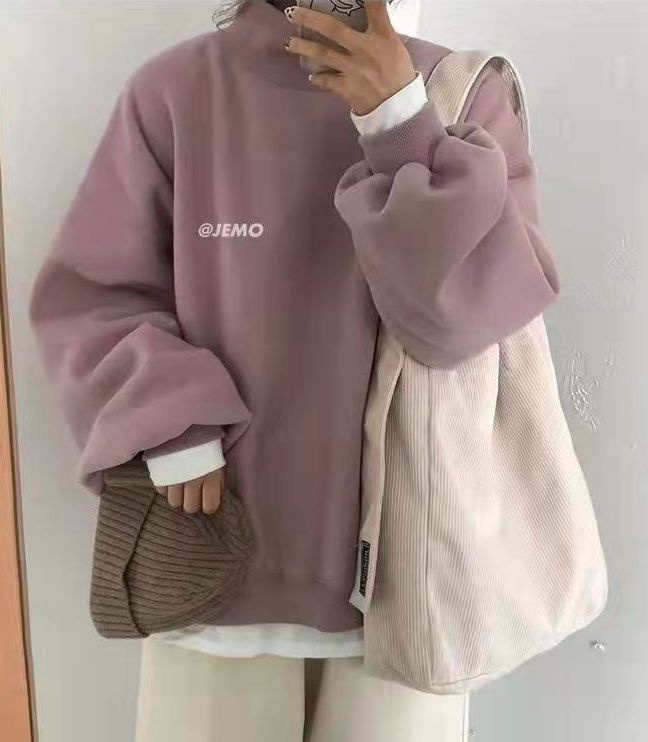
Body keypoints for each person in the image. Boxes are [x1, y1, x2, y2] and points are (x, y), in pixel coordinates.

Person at [27, 0, 560, 739]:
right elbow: (93, 295)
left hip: (411, 579)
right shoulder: (174, 91)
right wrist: (169, 419)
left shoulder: (465, 96)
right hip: (217, 564)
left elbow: (464, 325)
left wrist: (401, 123)